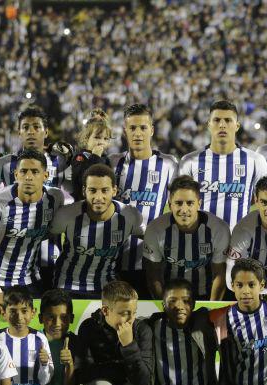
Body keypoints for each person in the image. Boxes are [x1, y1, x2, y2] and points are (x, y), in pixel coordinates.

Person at [0, 105, 72, 291]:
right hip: (13, 243)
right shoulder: (5, 163)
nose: (31, 132)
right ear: (19, 133)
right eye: (26, 127)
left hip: (48, 247)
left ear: (46, 132)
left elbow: (77, 190)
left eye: (36, 127)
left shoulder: (60, 161)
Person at [0, 149, 65, 312]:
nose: (29, 177)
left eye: (35, 172)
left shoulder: (55, 198)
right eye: (23, 171)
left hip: (29, 280)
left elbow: (53, 230)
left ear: (45, 176)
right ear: (16, 174)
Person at [109, 103, 181, 298]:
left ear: (152, 130)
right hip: (113, 261)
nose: (138, 133)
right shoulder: (113, 162)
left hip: (150, 261)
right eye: (132, 128)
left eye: (143, 127)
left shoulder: (168, 164)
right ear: (125, 131)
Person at [50, 164, 144, 299]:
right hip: (67, 284)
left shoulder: (130, 216)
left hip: (106, 286)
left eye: (105, 190)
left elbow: (149, 236)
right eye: (93, 190)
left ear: (114, 190)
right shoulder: (67, 215)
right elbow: (45, 236)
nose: (99, 197)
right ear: (84, 191)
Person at [178, 99, 267, 230]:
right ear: (209, 124)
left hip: (239, 244)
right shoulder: (190, 161)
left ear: (237, 126)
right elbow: (181, 204)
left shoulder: (255, 161)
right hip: (199, 241)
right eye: (216, 120)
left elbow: (266, 200)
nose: (222, 125)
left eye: (228, 120)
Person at [143, 175, 230, 301]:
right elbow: (153, 275)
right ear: (170, 204)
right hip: (170, 297)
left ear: (199, 204)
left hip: (205, 295)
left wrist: (211, 308)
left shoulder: (218, 229)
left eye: (190, 203)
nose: (184, 209)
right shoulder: (155, 229)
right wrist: (165, 308)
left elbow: (220, 274)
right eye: (178, 203)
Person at [66, 109, 114, 202]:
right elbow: (81, 180)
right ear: (86, 138)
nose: (101, 142)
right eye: (97, 137)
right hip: (82, 206)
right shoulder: (80, 157)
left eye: (106, 139)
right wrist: (95, 157)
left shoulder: (106, 159)